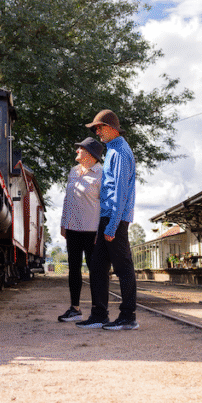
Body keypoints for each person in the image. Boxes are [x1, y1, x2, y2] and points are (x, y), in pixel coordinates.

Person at [76, 109, 138, 331]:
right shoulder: (112, 150)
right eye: (96, 129)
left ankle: (128, 316)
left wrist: (112, 225)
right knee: (98, 267)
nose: (97, 132)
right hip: (107, 217)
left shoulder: (121, 153)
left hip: (116, 219)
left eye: (100, 128)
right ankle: (99, 315)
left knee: (123, 268)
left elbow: (120, 192)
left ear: (112, 128)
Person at [57, 137, 105, 322]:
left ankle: (97, 311)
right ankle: (75, 308)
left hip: (92, 230)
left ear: (90, 155)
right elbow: (68, 199)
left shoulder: (101, 173)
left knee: (95, 271)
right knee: (74, 269)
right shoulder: (74, 171)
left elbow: (105, 204)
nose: (76, 151)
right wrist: (63, 222)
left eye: (80, 149)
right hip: (72, 229)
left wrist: (101, 230)